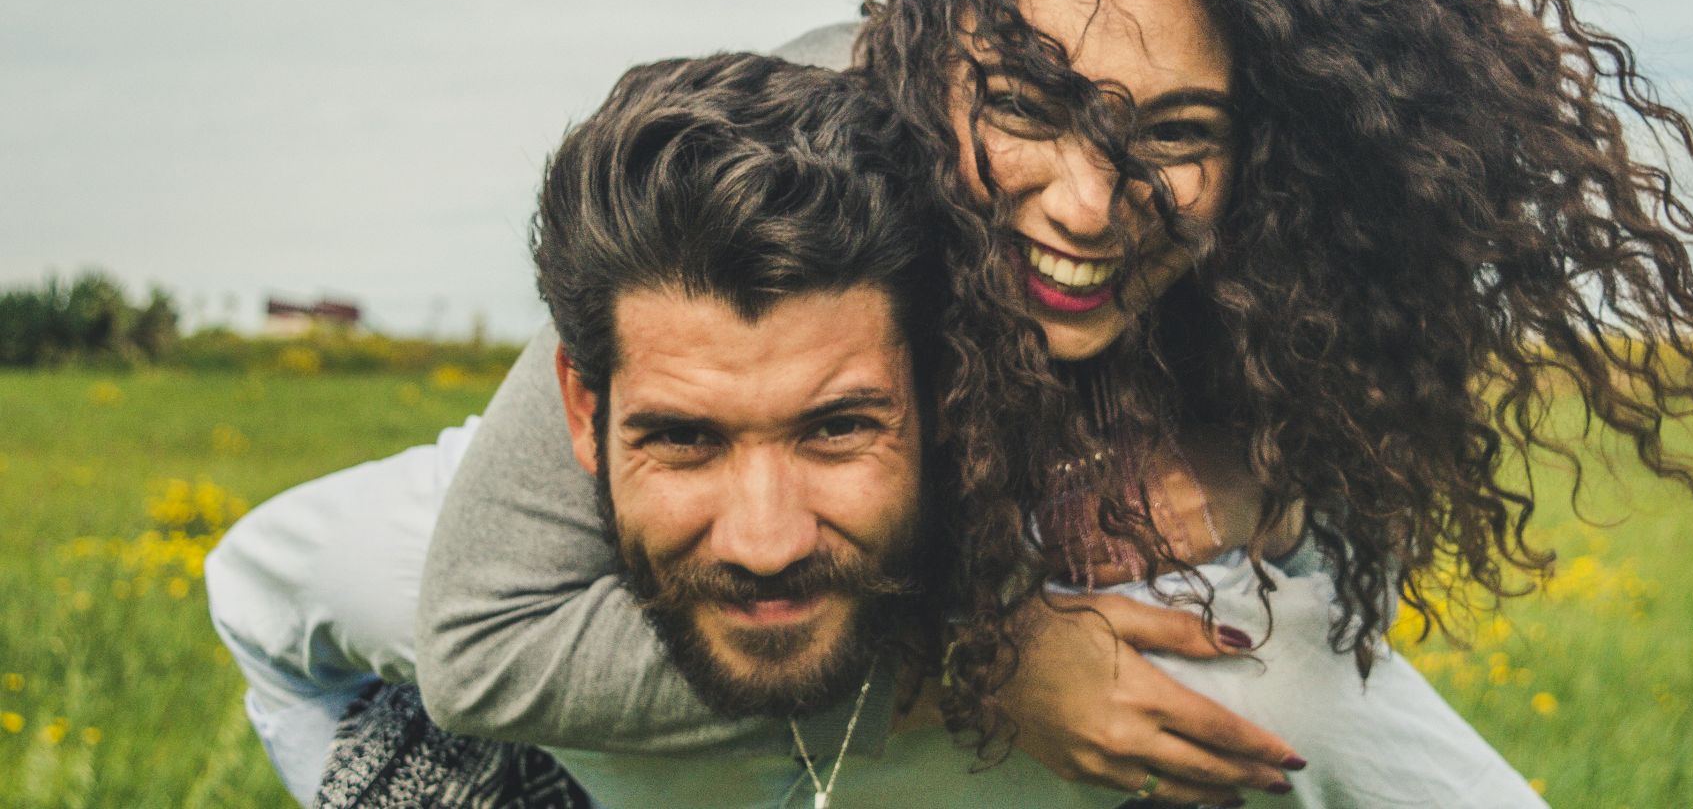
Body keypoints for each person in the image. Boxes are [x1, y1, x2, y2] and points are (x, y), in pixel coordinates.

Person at [211, 50, 1535, 809]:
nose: (1088, 201)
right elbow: (298, 610)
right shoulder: (418, 550)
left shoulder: (1225, 639)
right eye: (686, 438)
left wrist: (1274, 496)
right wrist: (979, 661)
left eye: (837, 427)